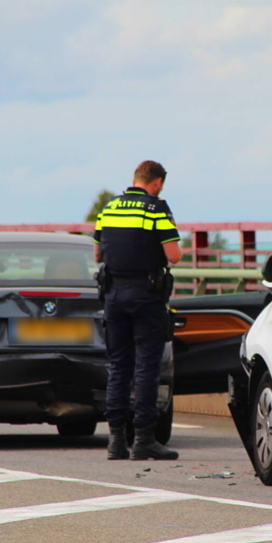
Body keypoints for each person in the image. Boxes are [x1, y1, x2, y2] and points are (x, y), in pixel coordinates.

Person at [93, 160, 182, 460]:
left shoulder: (108, 209)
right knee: (146, 367)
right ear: (156, 183)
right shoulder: (156, 209)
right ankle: (144, 439)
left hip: (114, 295)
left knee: (119, 367)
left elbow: (97, 253)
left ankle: (115, 441)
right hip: (146, 295)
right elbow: (174, 256)